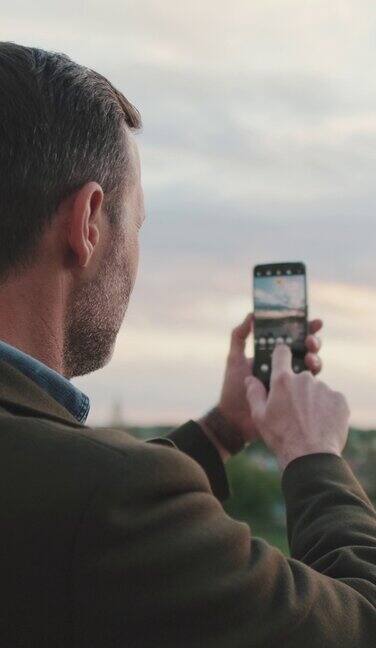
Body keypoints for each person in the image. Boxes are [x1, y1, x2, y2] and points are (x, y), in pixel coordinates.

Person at [0, 41, 374, 647]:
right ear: (88, 223)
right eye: (137, 224)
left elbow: (61, 513)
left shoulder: (75, 499)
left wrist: (223, 430)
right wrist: (314, 455)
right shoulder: (108, 503)